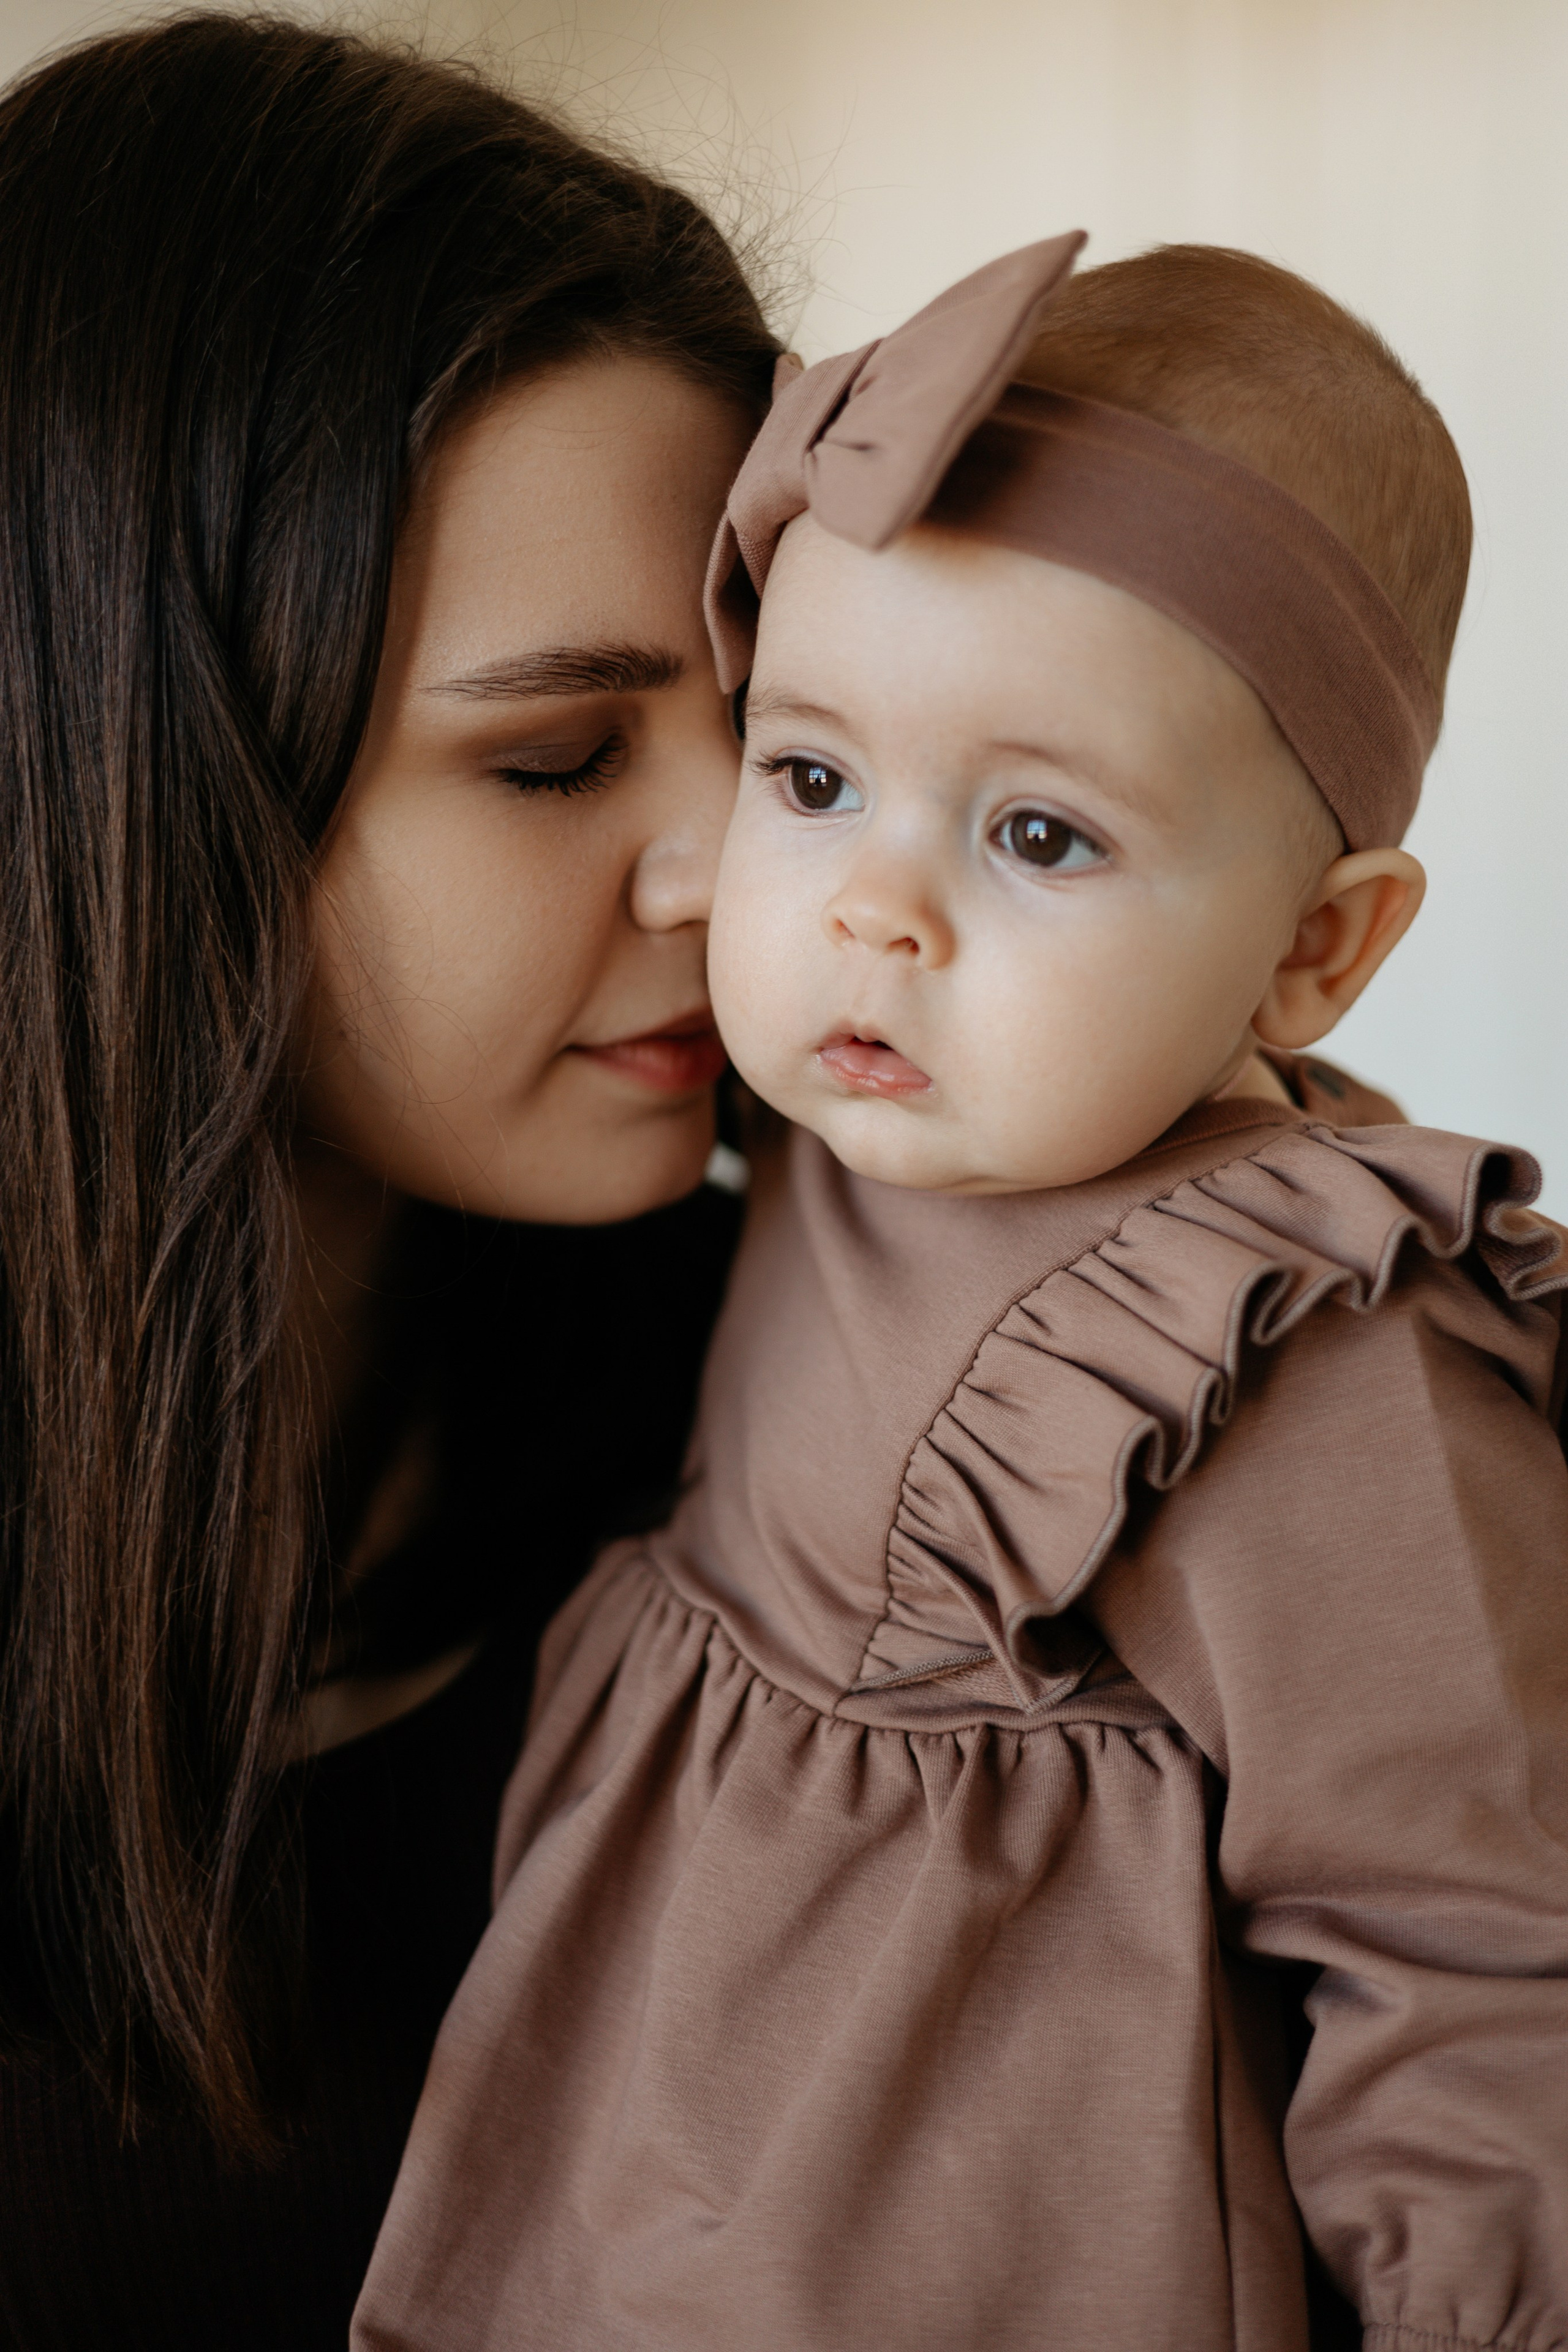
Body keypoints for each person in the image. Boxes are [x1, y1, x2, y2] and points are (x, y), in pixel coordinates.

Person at [353, 239, 1568, 2350]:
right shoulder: (805, 1148)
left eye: (1038, 834)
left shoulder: (1296, 1353)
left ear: (1318, 952)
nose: (870, 915)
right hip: (638, 2211)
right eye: (810, 778)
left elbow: (1485, 1953)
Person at [0, 15, 776, 2348]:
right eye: (555, 760)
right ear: (120, 779)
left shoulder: (813, 1435)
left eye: (783, 719)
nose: (742, 865)